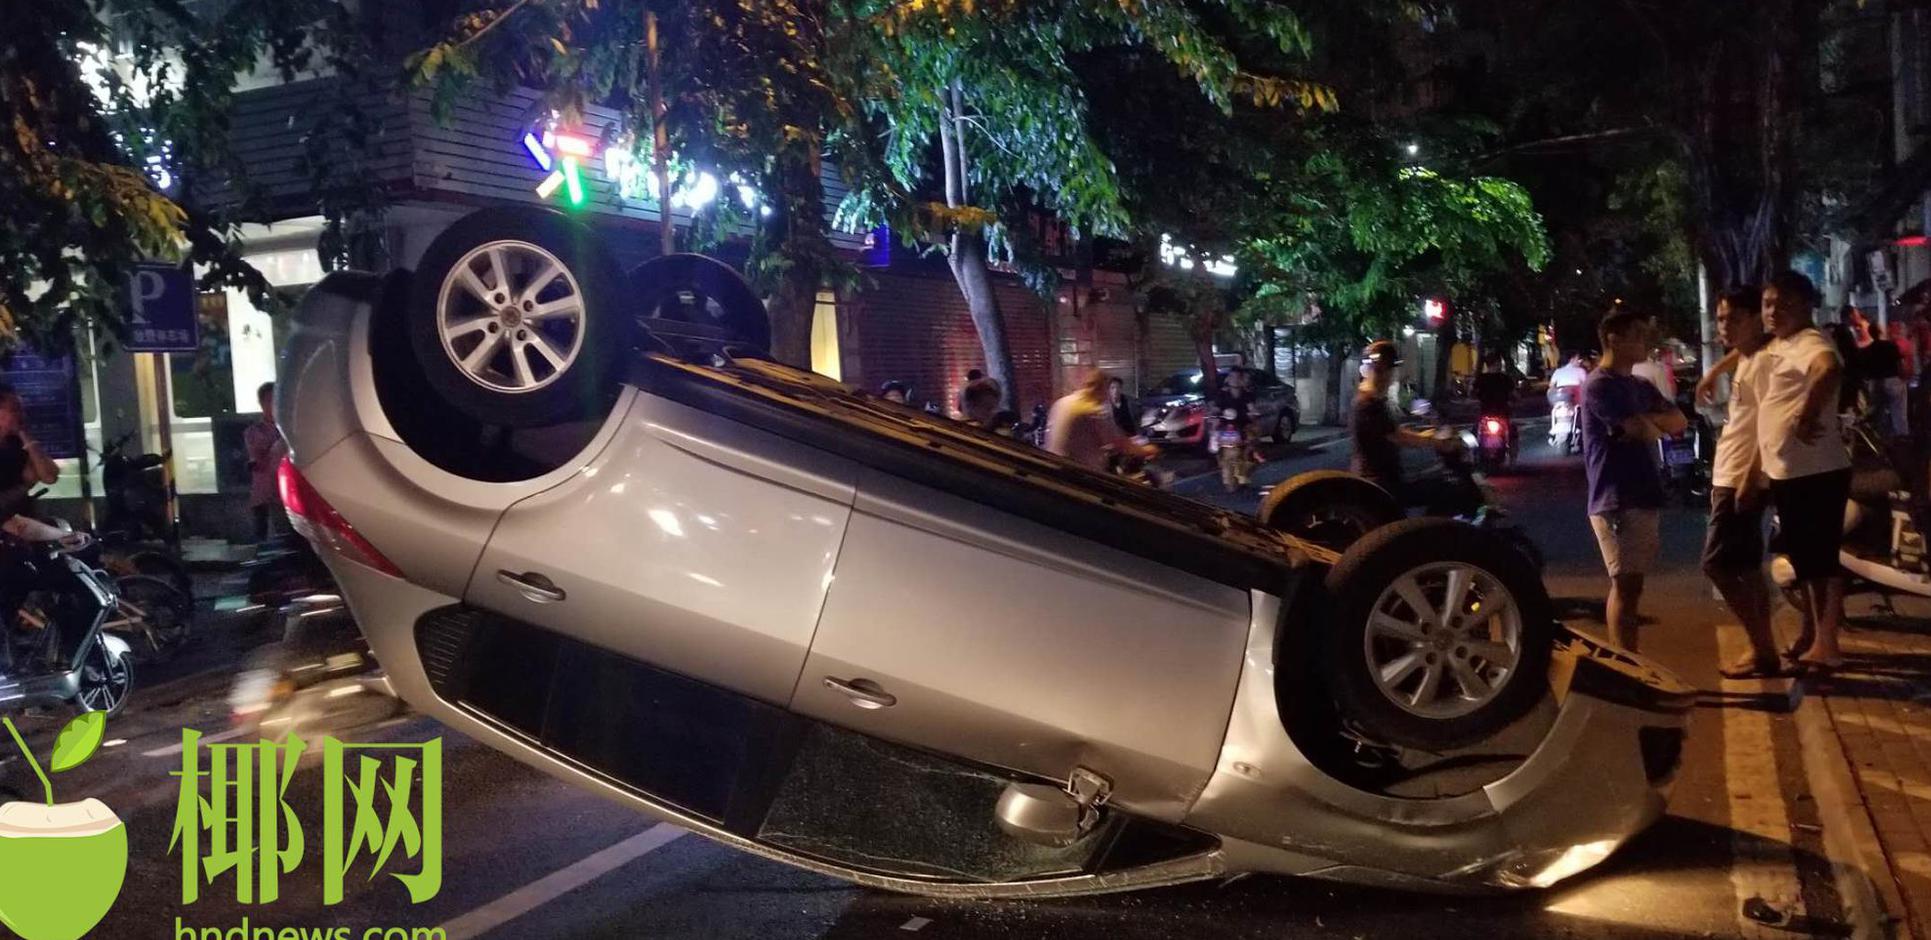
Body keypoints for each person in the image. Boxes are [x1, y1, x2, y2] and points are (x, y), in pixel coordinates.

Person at [1759, 271, 1852, 675]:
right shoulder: (1783, 343)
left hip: (1816, 472)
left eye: (1782, 303)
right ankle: (1812, 633)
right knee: (1804, 560)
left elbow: (1828, 369)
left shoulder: (1811, 342)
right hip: (1790, 472)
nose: (1772, 311)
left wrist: (1806, 414)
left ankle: (1827, 645)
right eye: (1767, 304)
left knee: (1821, 561)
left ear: (1804, 305)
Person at [1581, 311, 1688, 652]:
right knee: (1625, 585)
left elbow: (1678, 421)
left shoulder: (1640, 385)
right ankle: (1625, 660)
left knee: (1633, 585)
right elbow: (1640, 429)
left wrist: (1649, 423)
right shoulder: (1599, 385)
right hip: (1614, 496)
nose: (1645, 344)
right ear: (1613, 338)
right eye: (1638, 336)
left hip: (1643, 491)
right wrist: (1650, 425)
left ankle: (1628, 659)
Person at [1695, 288, 1782, 678]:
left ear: (1753, 319)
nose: (1723, 326)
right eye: (1720, 318)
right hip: (1732, 473)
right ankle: (1764, 649)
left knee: (1717, 565)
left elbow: (1772, 423)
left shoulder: (1764, 362)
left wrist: (1751, 476)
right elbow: (1742, 353)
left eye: (1731, 318)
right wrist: (1714, 371)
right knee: (1747, 566)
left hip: (1739, 477)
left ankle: (1762, 647)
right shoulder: (1749, 357)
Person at [1351, 340, 1461, 505]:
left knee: (1437, 484)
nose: (1387, 376)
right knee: (1446, 490)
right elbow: (1397, 437)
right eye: (1383, 370)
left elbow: (1392, 431)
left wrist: (1425, 435)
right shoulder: (1368, 403)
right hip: (1380, 483)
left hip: (1383, 478)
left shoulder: (1375, 399)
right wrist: (1434, 441)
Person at [1046, 369, 1155, 473]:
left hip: (1056, 470)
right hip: (1081, 475)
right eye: (1108, 389)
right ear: (1102, 388)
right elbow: (1120, 443)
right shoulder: (1093, 410)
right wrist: (1146, 450)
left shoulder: (1062, 403)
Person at [0, 384, 62, 540]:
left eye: (21, 409)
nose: (21, 415)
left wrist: (25, 436)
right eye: (14, 410)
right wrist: (24, 486)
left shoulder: (18, 444)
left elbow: (49, 476)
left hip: (25, 521)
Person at [244, 381, 288, 542]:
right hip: (263, 491)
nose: (274, 405)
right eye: (270, 400)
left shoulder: (289, 428)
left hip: (284, 491)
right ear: (262, 403)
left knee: (285, 533)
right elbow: (259, 456)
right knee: (261, 534)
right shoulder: (254, 431)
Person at [1214, 368, 1260, 493]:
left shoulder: (1247, 395)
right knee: (1217, 448)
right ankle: (1227, 478)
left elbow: (1252, 409)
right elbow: (1216, 409)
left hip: (1243, 427)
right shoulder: (1222, 394)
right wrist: (1214, 416)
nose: (1234, 380)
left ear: (1242, 380)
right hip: (1226, 427)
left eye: (1237, 377)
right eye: (1232, 377)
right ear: (1228, 379)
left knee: (1252, 450)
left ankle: (1245, 472)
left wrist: (1253, 414)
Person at [1860, 324, 1907, 438]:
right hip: (1892, 380)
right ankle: (1901, 438)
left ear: (1870, 333)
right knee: (1898, 412)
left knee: (1878, 413)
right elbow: (1900, 364)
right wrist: (1902, 377)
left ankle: (1880, 438)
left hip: (1875, 382)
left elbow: (1864, 369)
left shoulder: (1867, 350)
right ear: (1880, 331)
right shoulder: (1890, 345)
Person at [1472, 356, 1518, 450]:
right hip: (1502, 412)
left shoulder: (1481, 378)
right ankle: (1512, 460)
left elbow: (1472, 392)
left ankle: (1473, 454)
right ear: (1497, 363)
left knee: (1475, 432)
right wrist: (1517, 399)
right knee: (1513, 434)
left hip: (1485, 412)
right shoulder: (1505, 378)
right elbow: (1514, 394)